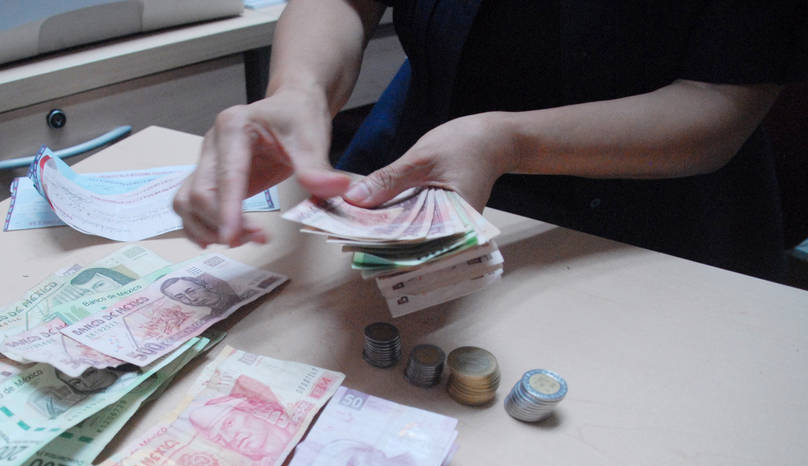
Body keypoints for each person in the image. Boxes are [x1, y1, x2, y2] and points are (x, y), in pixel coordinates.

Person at [172, 0, 808, 281]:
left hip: (657, 223)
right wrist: (300, 89)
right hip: (428, 165)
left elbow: (719, 102)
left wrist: (507, 142)